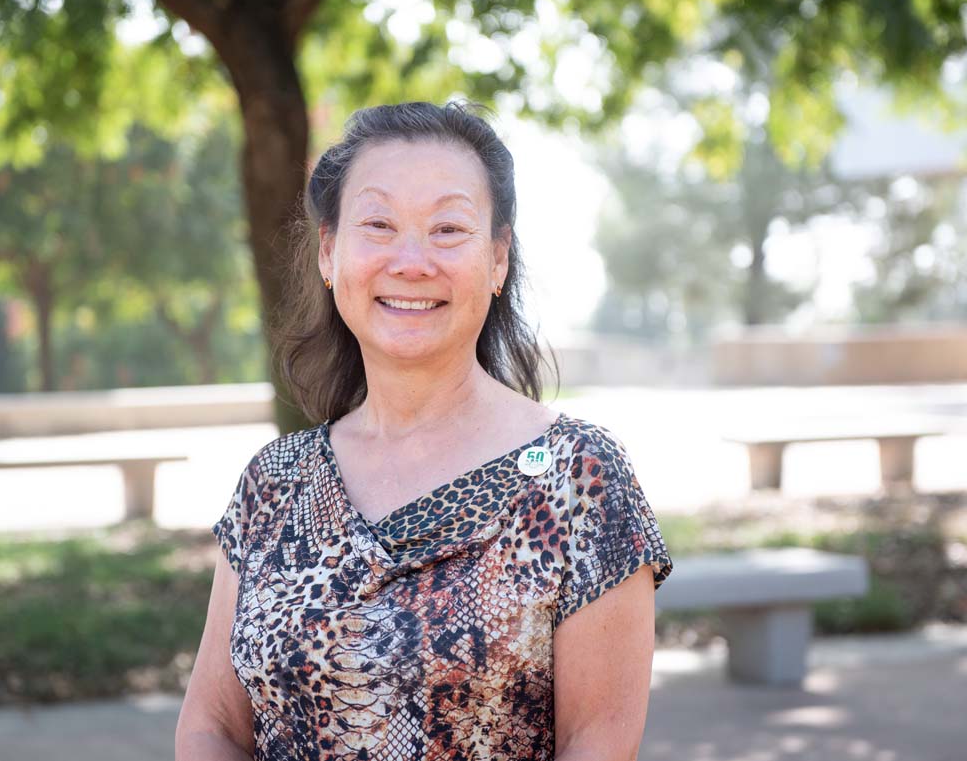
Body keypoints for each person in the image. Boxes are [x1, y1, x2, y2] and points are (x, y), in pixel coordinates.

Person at [175, 100, 674, 761]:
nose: (411, 260)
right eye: (378, 223)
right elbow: (211, 723)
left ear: (498, 261)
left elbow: (599, 741)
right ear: (330, 253)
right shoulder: (274, 484)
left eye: (447, 229)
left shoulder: (579, 476)